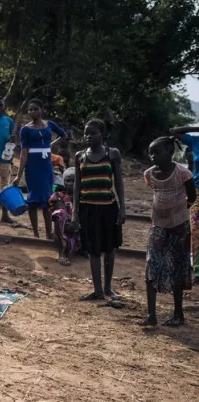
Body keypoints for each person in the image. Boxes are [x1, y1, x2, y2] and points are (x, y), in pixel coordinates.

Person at [139, 137, 195, 327]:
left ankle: (178, 314)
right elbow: (157, 193)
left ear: (170, 153)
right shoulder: (149, 174)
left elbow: (192, 197)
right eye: (151, 152)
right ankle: (151, 315)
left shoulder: (182, 173)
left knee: (178, 268)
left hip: (179, 226)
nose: (153, 156)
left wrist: (178, 210)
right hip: (158, 226)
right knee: (151, 266)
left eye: (157, 152)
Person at [73, 119, 126, 301]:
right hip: (87, 209)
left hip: (108, 208)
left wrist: (123, 208)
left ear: (103, 135)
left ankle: (108, 288)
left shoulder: (112, 154)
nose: (88, 137)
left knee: (109, 248)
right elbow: (77, 187)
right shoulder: (79, 156)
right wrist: (75, 213)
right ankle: (97, 290)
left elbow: (118, 182)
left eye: (93, 133)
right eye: (86, 133)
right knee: (93, 249)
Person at [13, 99, 68, 239]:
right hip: (32, 166)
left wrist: (51, 145)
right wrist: (18, 176)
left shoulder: (50, 124)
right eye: (30, 109)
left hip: (46, 167)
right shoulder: (25, 129)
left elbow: (64, 135)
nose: (32, 112)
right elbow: (24, 153)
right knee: (32, 201)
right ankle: (36, 233)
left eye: (35, 109)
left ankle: (49, 233)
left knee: (47, 200)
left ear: (41, 109)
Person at [170, 125, 199, 281]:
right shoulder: (195, 141)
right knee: (195, 230)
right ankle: (197, 271)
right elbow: (174, 131)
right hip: (197, 191)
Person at [49, 167, 80, 266]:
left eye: (73, 181)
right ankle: (62, 251)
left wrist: (76, 222)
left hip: (79, 226)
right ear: (63, 181)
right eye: (68, 180)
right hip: (64, 228)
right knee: (60, 214)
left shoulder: (83, 196)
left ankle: (83, 248)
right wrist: (72, 221)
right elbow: (61, 211)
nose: (70, 183)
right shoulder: (58, 195)